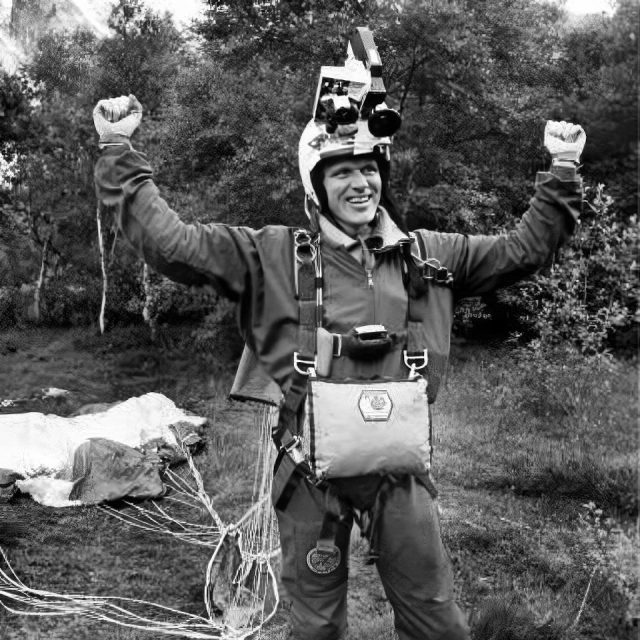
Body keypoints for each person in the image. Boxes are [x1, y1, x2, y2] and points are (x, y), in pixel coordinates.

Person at [92, 64, 584, 640]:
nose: (360, 184)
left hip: (398, 478)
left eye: (370, 169)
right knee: (317, 626)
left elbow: (525, 250)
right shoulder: (269, 256)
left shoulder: (429, 255)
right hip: (309, 477)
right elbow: (172, 243)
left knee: (437, 619)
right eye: (343, 171)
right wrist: (119, 149)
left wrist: (564, 169)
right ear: (316, 185)